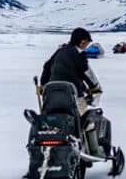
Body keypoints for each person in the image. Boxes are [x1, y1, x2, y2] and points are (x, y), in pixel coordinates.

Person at [40, 28, 105, 156]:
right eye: (87, 42)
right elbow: (87, 74)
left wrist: (43, 85)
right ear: (82, 42)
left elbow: (47, 67)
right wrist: (96, 88)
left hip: (52, 96)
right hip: (73, 96)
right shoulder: (79, 54)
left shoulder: (59, 51)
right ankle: (95, 151)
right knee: (88, 120)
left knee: (49, 120)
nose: (87, 45)